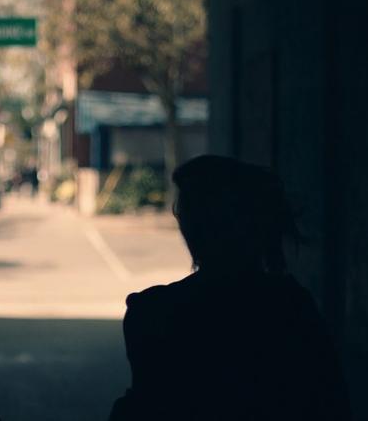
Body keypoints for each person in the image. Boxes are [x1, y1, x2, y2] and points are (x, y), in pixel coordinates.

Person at [109, 155, 350, 420]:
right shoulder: (292, 308)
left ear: (191, 227)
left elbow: (146, 406)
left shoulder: (152, 311)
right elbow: (330, 404)